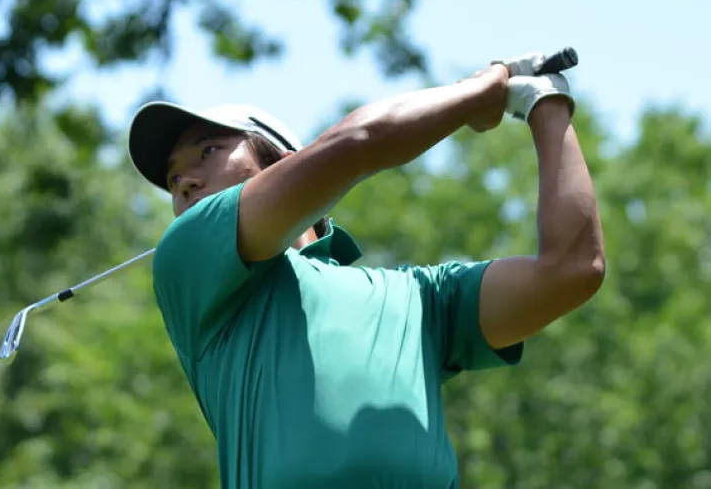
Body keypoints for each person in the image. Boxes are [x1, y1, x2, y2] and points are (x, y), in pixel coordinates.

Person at [127, 54, 606, 489]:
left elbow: (572, 268)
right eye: (173, 177)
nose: (184, 181)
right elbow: (361, 142)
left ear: (281, 162)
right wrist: (487, 88)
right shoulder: (188, 261)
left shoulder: (421, 298)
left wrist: (545, 100)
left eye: (207, 151)